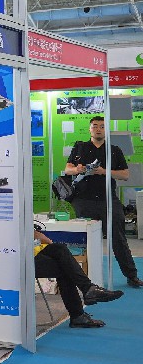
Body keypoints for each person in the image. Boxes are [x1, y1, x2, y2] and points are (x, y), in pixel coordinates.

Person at [65, 116, 142, 288]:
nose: (98, 129)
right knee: (84, 241)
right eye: (95, 126)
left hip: (108, 200)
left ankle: (132, 276)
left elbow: (125, 175)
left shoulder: (114, 150)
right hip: (83, 200)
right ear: (90, 129)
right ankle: (83, 280)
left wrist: (104, 171)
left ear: (106, 130)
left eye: (101, 126)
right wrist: (77, 169)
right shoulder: (80, 148)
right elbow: (67, 169)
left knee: (119, 239)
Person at [34, 227, 122, 327]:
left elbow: (34, 233)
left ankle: (88, 290)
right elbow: (34, 234)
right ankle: (79, 311)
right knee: (65, 267)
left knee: (60, 249)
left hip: (32, 252)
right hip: (22, 261)